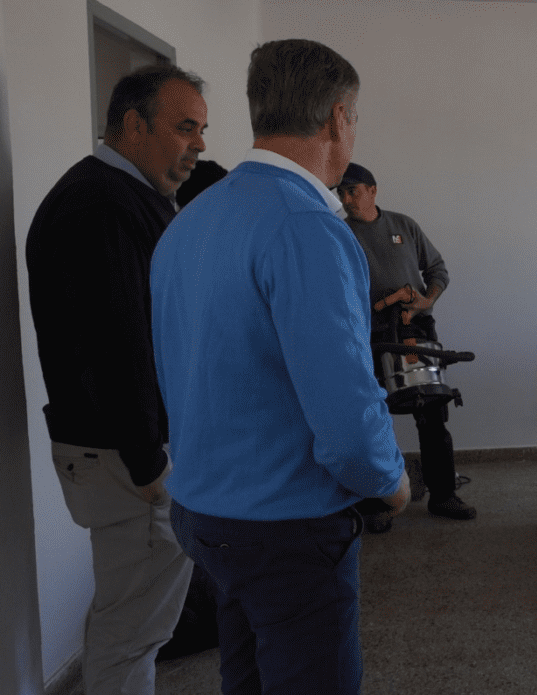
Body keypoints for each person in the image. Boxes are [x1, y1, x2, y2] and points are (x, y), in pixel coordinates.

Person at [151, 39, 410, 695]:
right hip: (284, 527)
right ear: (336, 119)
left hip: (205, 511)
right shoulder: (306, 227)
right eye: (354, 117)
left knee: (248, 676)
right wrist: (391, 481)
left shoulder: (192, 220)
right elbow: (346, 414)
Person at [24, 64, 204, 694]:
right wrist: (148, 460)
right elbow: (117, 340)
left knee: (130, 622)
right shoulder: (101, 203)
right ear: (133, 124)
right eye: (185, 127)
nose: (198, 145)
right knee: (130, 635)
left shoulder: (121, 195)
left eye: (202, 130)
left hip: (124, 450)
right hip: (129, 458)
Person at [337, 163, 476, 522]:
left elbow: (438, 269)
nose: (347, 199)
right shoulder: (338, 233)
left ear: (373, 190)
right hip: (367, 336)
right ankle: (375, 505)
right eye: (342, 192)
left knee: (432, 413)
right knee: (368, 420)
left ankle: (443, 495)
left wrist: (425, 301)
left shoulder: (404, 226)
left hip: (416, 330)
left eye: (353, 191)